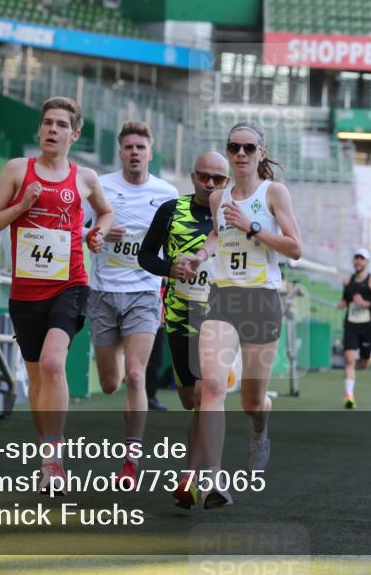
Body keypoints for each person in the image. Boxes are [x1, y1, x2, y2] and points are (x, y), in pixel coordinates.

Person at [0, 96, 113, 495]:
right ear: (39, 130)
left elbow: (105, 213)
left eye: (60, 124)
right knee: (38, 382)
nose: (52, 130)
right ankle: (48, 458)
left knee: (54, 364)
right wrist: (23, 205)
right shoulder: (17, 170)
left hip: (70, 284)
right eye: (47, 123)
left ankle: (53, 462)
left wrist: (98, 233)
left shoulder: (85, 178)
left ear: (75, 134)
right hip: (26, 292)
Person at [181, 122, 302, 509]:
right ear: (228, 151)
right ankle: (215, 481)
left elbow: (295, 247)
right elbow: (218, 234)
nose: (242, 154)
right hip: (224, 298)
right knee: (212, 388)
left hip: (262, 302)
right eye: (235, 147)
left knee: (251, 401)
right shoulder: (218, 198)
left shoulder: (274, 193)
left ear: (261, 153)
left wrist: (251, 226)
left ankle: (260, 430)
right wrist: (201, 254)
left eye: (249, 148)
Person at [86, 121, 178, 486]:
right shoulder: (101, 186)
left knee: (136, 375)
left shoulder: (167, 193)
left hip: (144, 291)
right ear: (121, 152)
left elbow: (174, 243)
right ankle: (118, 356)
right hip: (104, 292)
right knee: (111, 383)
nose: (135, 152)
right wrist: (98, 233)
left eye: (141, 147)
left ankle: (131, 460)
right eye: (129, 147)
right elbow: (79, 228)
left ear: (150, 153)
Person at [138, 151, 230, 509]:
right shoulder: (170, 210)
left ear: (227, 182)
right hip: (179, 316)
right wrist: (169, 269)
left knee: (209, 393)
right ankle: (193, 477)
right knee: (192, 400)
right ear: (192, 177)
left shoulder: (232, 215)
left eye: (218, 179)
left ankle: (201, 478)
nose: (210, 184)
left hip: (220, 316)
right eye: (204, 177)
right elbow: (145, 256)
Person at [337, 248, 371, 409]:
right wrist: (343, 303)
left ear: (367, 262)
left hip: (368, 326)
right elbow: (346, 298)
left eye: (362, 259)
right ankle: (349, 397)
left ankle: (369, 355)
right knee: (349, 359)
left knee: (363, 364)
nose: (358, 261)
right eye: (356, 258)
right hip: (351, 324)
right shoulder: (347, 281)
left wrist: (365, 303)